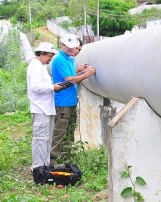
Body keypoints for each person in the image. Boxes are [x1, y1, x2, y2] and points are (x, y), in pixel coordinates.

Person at [51, 34, 96, 164]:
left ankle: (66, 159)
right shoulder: (60, 59)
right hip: (63, 103)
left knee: (69, 132)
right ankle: (53, 163)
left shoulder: (68, 59)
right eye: (70, 48)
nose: (73, 50)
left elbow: (69, 74)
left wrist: (79, 70)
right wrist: (86, 74)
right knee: (60, 133)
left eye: (74, 48)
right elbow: (69, 80)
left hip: (70, 102)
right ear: (62, 45)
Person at [27, 42, 63, 171]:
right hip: (40, 108)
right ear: (42, 54)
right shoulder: (35, 67)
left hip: (46, 108)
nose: (51, 59)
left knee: (46, 139)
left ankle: (45, 166)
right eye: (49, 56)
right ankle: (37, 168)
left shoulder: (41, 65)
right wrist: (53, 87)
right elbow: (35, 87)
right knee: (40, 139)